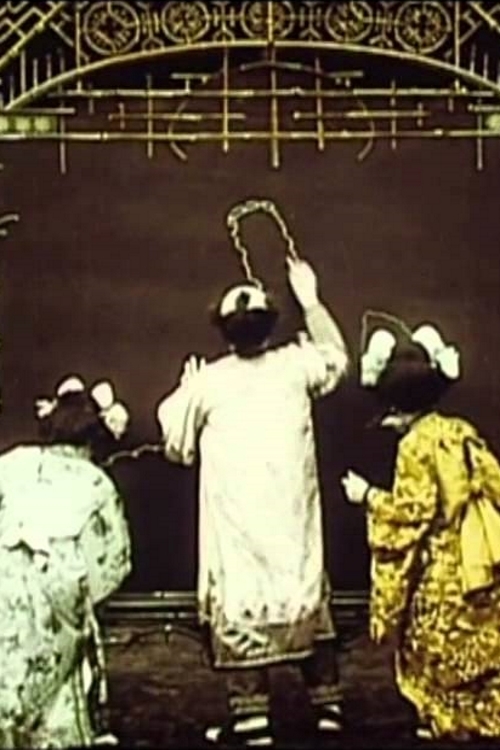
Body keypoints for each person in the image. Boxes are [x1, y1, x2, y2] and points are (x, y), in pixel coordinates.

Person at [157, 257, 349, 746]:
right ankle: (327, 705)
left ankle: (252, 718)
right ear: (270, 324)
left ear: (222, 330)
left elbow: (176, 445)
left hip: (239, 535)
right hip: (292, 526)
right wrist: (311, 300)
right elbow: (335, 356)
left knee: (242, 601)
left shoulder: (207, 383)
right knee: (304, 590)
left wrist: (187, 387)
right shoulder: (295, 365)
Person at [342, 319, 500, 741]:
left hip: (443, 564)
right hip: (479, 557)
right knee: (482, 640)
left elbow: (413, 512)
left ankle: (447, 719)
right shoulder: (458, 431)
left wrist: (367, 496)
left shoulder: (415, 446)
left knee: (433, 642)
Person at [0, 374, 132, 748]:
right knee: (56, 689)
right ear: (92, 439)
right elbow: (115, 563)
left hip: (2, 575)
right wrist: (84, 601)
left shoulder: (12, 461)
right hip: (58, 583)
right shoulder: (96, 481)